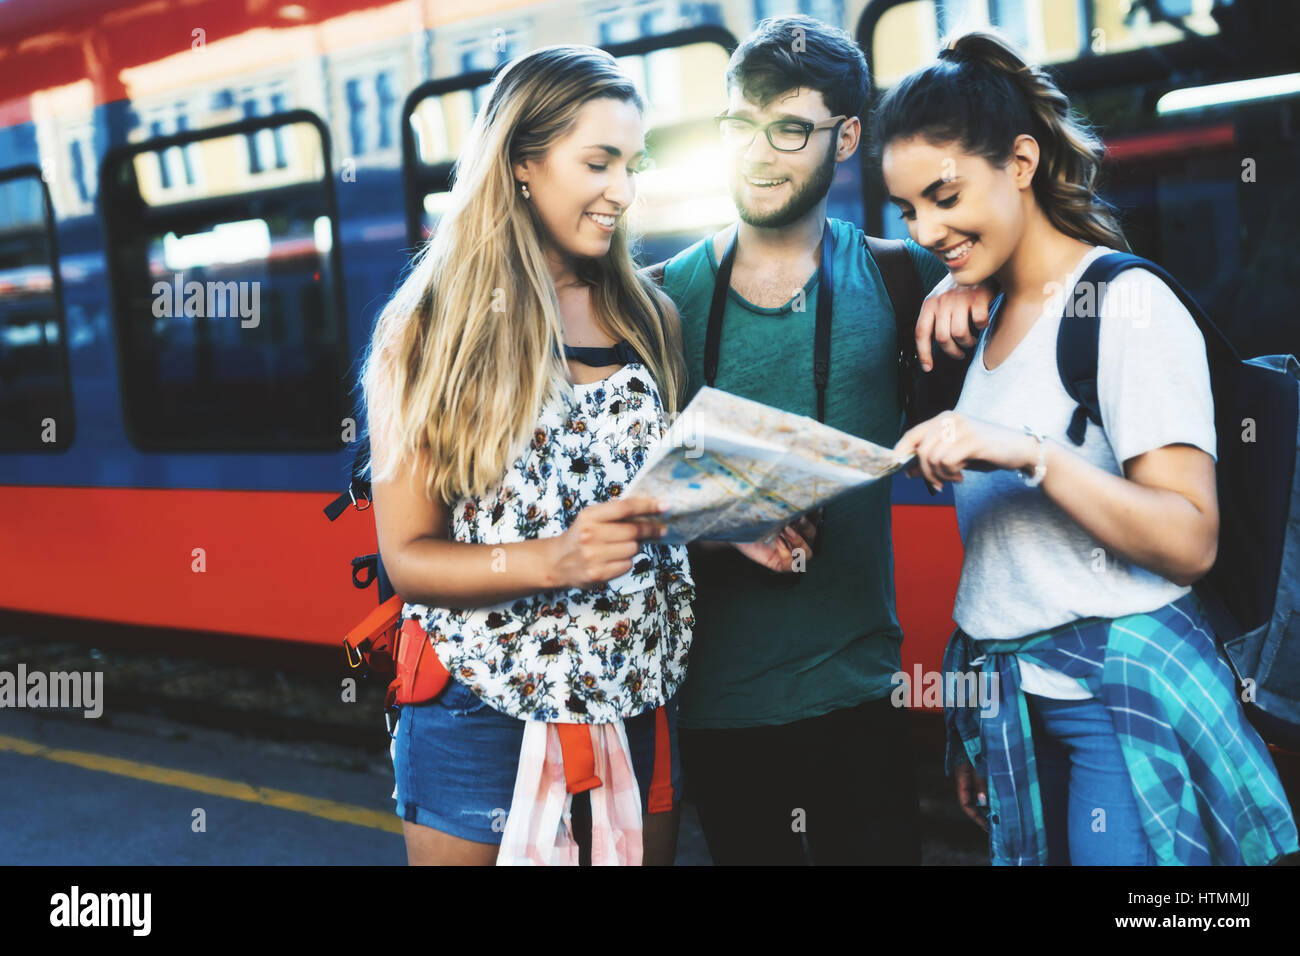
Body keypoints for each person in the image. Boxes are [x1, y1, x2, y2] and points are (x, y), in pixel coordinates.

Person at [881, 29, 1300, 865]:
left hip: (1116, 706)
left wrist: (1030, 452)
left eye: (944, 195)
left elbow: (1189, 539)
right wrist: (981, 730)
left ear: (1023, 162)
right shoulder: (986, 313)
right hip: (1013, 705)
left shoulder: (1127, 306)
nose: (927, 227)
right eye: (908, 210)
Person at [646, 15, 995, 865]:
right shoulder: (655, 303)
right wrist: (725, 528)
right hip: (715, 706)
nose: (758, 154)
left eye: (789, 129)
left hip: (859, 698)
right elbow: (605, 505)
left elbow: (1075, 267)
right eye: (740, 127)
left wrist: (972, 280)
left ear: (844, 140)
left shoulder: (904, 275)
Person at [362, 46, 696, 865]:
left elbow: (647, 499)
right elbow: (408, 559)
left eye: (632, 163)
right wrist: (557, 559)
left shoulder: (647, 313)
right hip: (479, 713)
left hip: (632, 699)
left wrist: (725, 522)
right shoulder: (428, 331)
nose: (622, 189)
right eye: (598, 161)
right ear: (520, 162)